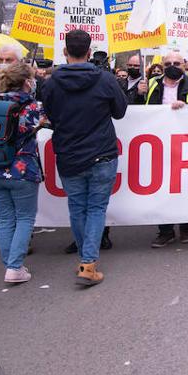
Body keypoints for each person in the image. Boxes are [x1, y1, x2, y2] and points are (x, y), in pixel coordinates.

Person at [39, 29, 128, 286]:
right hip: (102, 153)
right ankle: (88, 263)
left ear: (65, 52)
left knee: (77, 207)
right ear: (89, 53)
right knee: (96, 208)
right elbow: (120, 112)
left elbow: (50, 114)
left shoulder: (51, 83)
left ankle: (85, 259)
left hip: (69, 154)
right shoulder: (105, 79)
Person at [0, 62, 44, 284]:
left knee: (5, 218)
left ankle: (10, 264)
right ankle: (14, 267)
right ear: (26, 82)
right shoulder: (34, 108)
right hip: (21, 170)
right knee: (24, 218)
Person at [142, 51, 188, 248]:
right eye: (168, 63)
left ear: (185, 64)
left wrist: (186, 110)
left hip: (187, 144)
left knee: (185, 186)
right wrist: (136, 93)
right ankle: (165, 231)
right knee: (162, 187)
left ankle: (186, 228)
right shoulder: (152, 84)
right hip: (159, 143)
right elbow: (136, 109)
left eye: (177, 62)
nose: (172, 66)